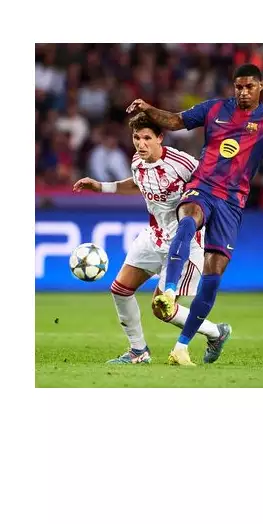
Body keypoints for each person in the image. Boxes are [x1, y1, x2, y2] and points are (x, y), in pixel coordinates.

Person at [126, 63, 263, 366]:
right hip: (203, 187)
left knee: (213, 276)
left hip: (232, 202)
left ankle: (183, 346)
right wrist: (148, 108)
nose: (243, 92)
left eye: (249, 87)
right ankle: (169, 290)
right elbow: (176, 120)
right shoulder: (215, 109)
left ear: (260, 87)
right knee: (187, 219)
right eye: (239, 87)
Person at [72, 111, 231, 364]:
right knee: (120, 290)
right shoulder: (138, 161)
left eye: (147, 138)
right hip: (154, 236)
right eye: (136, 137)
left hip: (185, 243)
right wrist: (101, 186)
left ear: (160, 138)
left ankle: (216, 332)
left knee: (161, 308)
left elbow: (212, 185)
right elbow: (137, 182)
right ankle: (138, 351)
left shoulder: (183, 163)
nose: (141, 143)